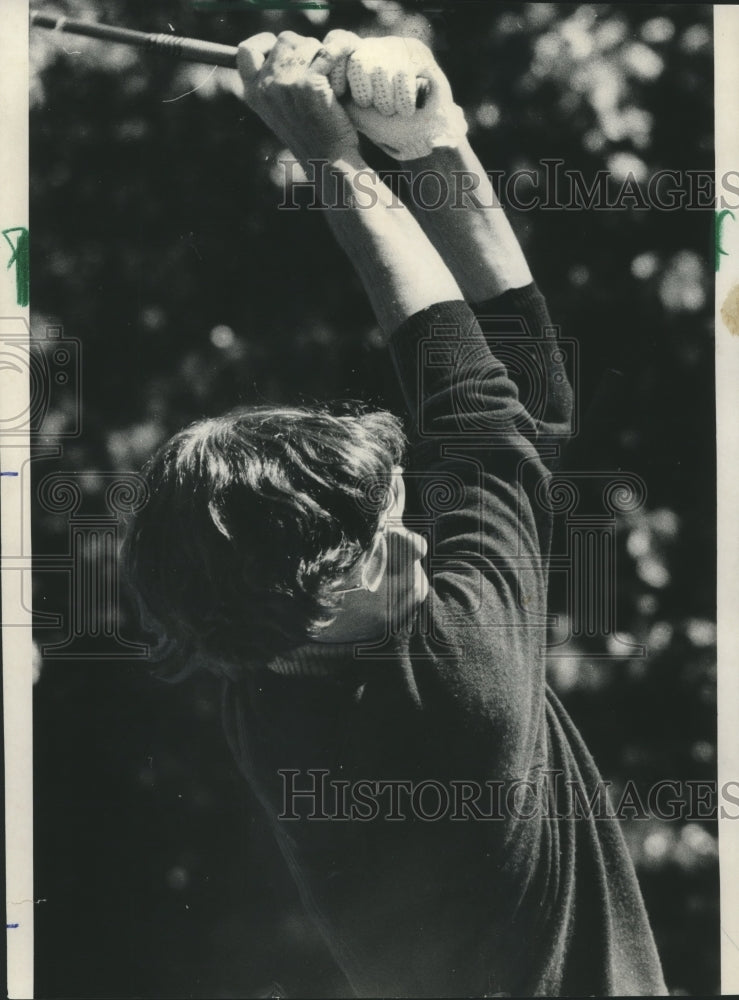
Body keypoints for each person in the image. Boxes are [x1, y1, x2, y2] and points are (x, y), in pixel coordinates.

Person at [124, 29, 668, 997]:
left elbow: (525, 396)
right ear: (316, 595)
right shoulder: (456, 687)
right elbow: (487, 414)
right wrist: (330, 156)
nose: (413, 536)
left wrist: (433, 145)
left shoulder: (270, 676)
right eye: (380, 539)